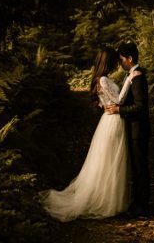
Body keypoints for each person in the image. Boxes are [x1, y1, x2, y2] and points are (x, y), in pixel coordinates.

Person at [40, 47, 141, 221]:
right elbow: (118, 100)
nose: (118, 63)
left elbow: (107, 102)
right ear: (107, 61)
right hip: (113, 122)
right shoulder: (103, 79)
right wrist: (129, 81)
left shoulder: (102, 79)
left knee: (111, 161)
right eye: (114, 60)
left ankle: (113, 199)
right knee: (111, 162)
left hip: (111, 120)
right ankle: (108, 202)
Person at [104, 42, 150, 217]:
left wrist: (119, 110)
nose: (120, 63)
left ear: (130, 59)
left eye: (122, 59)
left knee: (140, 168)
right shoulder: (132, 75)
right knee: (136, 167)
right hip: (133, 129)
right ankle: (137, 203)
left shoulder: (138, 77)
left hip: (139, 129)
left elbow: (140, 107)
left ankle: (142, 207)